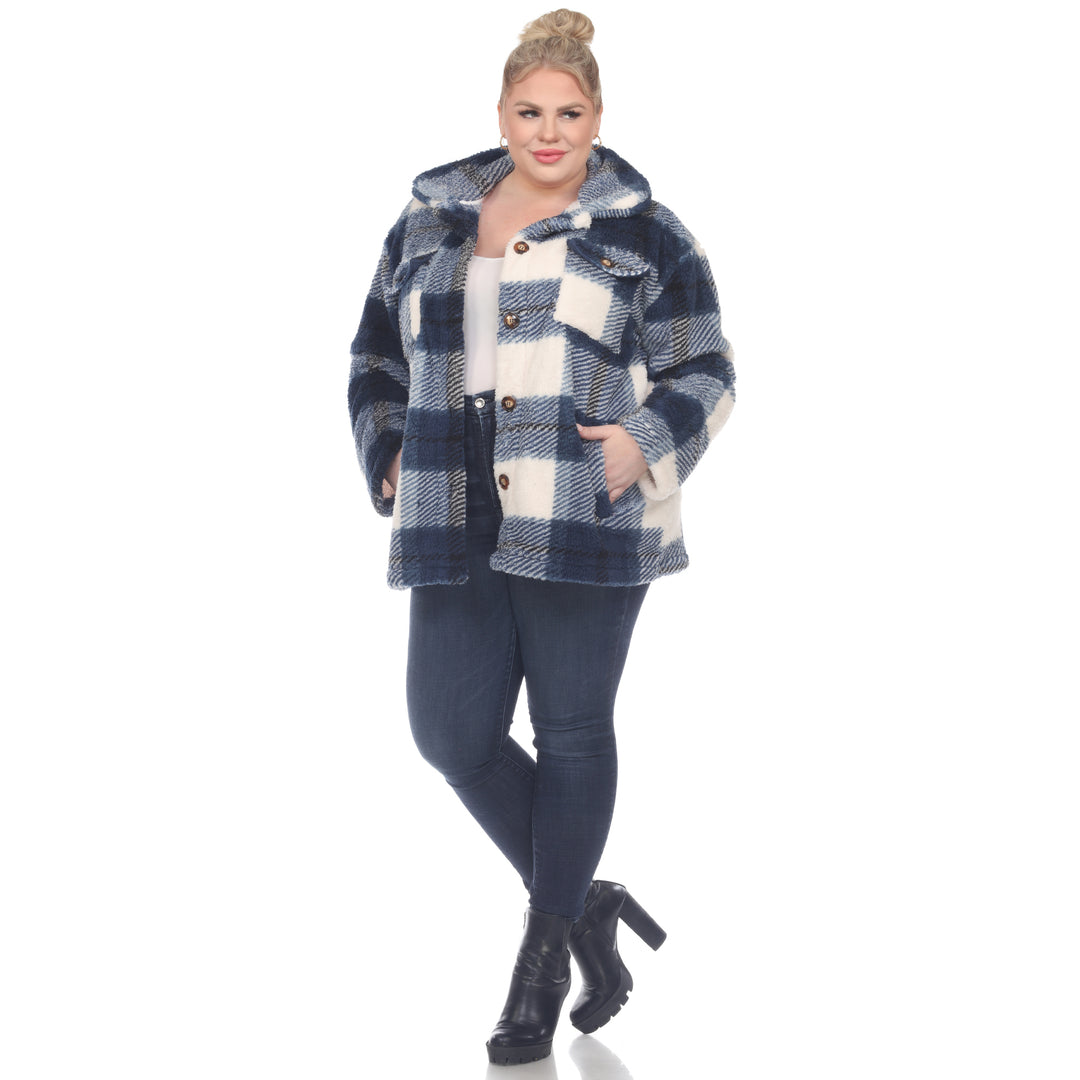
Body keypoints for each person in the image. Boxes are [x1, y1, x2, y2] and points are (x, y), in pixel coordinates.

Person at [348, 8, 734, 1066]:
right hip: (450, 493)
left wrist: (641, 444)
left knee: (571, 731)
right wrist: (387, 448)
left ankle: (541, 961)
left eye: (568, 113)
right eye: (530, 112)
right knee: (449, 733)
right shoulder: (428, 220)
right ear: (501, 114)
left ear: (598, 116)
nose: (549, 132)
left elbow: (708, 368)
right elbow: (374, 355)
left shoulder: (647, 231)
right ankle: (584, 903)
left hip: (583, 494)